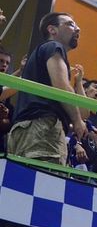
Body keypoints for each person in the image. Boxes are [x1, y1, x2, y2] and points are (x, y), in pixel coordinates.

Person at [8, 12, 87, 165]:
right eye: (70, 24)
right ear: (52, 30)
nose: (78, 29)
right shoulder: (53, 46)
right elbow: (61, 86)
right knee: (44, 177)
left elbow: (85, 111)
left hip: (24, 130)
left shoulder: (40, 54)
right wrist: (77, 120)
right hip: (42, 128)